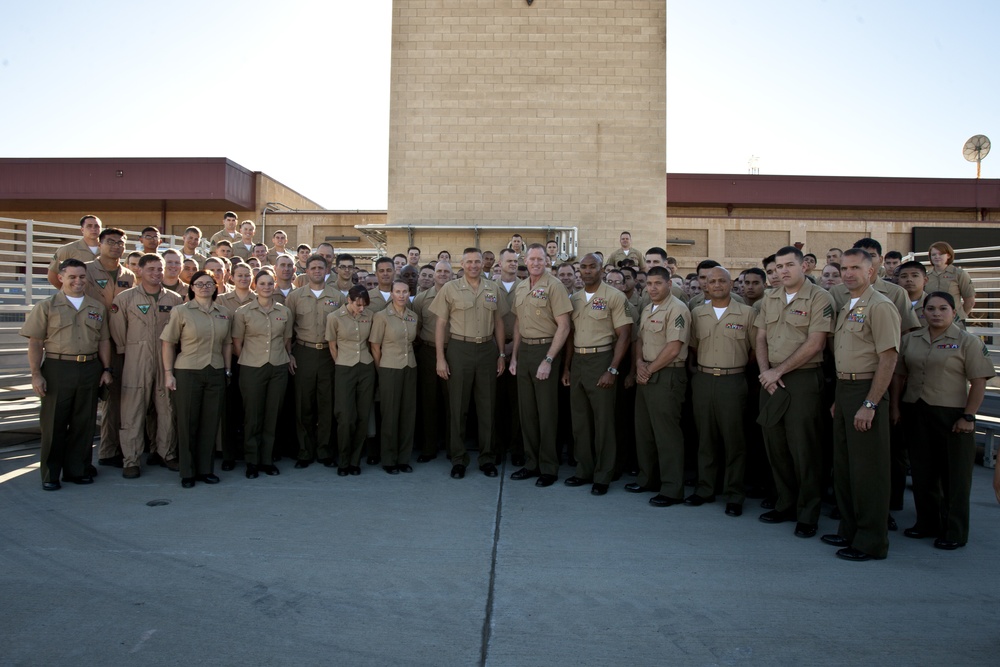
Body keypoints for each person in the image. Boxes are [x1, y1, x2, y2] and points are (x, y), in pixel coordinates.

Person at [890, 292, 993, 550]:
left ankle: (955, 530)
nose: (936, 313)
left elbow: (979, 381)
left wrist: (969, 415)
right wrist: (895, 407)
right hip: (916, 411)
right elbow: (899, 377)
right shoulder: (911, 340)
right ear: (922, 312)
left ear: (954, 310)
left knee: (954, 477)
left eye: (942, 308)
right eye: (930, 308)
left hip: (952, 415)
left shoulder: (967, 341)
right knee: (923, 472)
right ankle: (927, 523)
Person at [820, 248, 900, 561]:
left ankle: (871, 541)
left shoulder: (880, 305)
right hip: (846, 388)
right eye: (844, 268)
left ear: (871, 271)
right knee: (845, 468)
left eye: (856, 267)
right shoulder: (847, 304)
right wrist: (841, 398)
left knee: (868, 471)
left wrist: (871, 402)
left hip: (867, 389)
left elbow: (889, 357)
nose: (848, 273)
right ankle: (849, 529)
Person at [755, 246, 835, 539]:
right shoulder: (770, 297)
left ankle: (808, 513)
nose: (783, 271)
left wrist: (779, 371)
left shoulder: (819, 298)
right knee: (776, 445)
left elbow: (816, 343)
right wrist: (766, 372)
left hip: (802, 379)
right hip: (771, 380)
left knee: (805, 449)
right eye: (778, 266)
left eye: (789, 265)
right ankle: (785, 503)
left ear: (804, 267)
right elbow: (760, 337)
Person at [22, 259, 113, 490]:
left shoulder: (96, 307)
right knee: (54, 423)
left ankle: (77, 470)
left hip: (89, 368)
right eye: (72, 276)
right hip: (57, 368)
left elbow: (103, 340)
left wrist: (106, 369)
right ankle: (51, 474)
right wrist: (35, 374)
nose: (78, 281)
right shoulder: (47, 306)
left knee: (84, 423)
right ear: (61, 277)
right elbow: (35, 342)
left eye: (82, 277)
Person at [430, 247, 509, 479]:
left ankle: (487, 458)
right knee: (458, 407)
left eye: (477, 261)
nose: (474, 265)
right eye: (469, 262)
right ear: (461, 264)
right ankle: (458, 459)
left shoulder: (493, 288)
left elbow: (499, 323)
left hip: (486, 349)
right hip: (459, 349)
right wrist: (440, 358)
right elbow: (441, 325)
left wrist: (501, 354)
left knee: (487, 407)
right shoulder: (450, 289)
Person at [562, 253, 632, 496]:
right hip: (579, 362)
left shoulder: (614, 296)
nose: (588, 270)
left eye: (593, 266)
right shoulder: (575, 299)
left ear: (601, 269)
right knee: (580, 421)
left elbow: (624, 334)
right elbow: (570, 335)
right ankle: (584, 470)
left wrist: (612, 369)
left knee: (603, 422)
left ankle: (603, 474)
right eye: (584, 267)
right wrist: (567, 367)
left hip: (602, 358)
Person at [688, 267, 756, 515]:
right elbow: (694, 346)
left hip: (733, 381)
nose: (716, 285)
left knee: (734, 439)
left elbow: (753, 350)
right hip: (704, 380)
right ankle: (705, 488)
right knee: (705, 438)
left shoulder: (747, 313)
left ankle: (734, 494)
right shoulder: (697, 313)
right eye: (711, 281)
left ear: (731, 283)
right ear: (705, 284)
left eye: (722, 281)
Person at [110, 253, 183, 478]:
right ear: (139, 271)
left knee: (166, 409)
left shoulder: (174, 300)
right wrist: (127, 352)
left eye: (159, 269)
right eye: (151, 269)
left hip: (165, 360)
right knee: (132, 410)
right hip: (135, 359)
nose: (157, 273)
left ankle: (166, 453)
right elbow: (117, 330)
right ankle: (131, 460)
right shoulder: (125, 299)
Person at [160, 270, 233, 488]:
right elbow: (168, 343)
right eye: (199, 284)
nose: (204, 287)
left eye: (209, 283)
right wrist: (168, 373)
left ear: (215, 286)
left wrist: (228, 370)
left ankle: (205, 469)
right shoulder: (181, 311)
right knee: (188, 422)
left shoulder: (224, 312)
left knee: (210, 423)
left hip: (216, 371)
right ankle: (188, 471)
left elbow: (227, 343)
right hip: (188, 371)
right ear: (191, 287)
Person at [508, 244, 573, 486]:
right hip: (524, 351)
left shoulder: (554, 286)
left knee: (546, 414)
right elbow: (517, 325)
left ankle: (548, 467)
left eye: (540, 258)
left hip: (545, 350)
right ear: (525, 260)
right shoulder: (522, 286)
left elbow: (564, 326)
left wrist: (548, 359)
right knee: (528, 413)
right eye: (531, 259)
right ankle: (531, 463)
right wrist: (514, 356)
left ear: (547, 260)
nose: (535, 262)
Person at [627, 266, 687, 505]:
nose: (652, 288)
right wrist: (640, 363)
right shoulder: (648, 308)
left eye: (658, 284)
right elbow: (641, 339)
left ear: (669, 284)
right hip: (647, 373)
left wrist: (648, 370)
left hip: (667, 376)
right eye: (649, 284)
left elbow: (674, 348)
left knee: (666, 435)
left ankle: (672, 489)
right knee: (645, 432)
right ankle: (647, 479)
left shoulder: (677, 310)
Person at [231, 269, 292, 479]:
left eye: (269, 283)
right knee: (253, 415)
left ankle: (267, 459)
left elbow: (286, 340)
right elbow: (237, 343)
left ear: (274, 285)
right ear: (255, 286)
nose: (266, 287)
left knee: (272, 414)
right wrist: (251, 359)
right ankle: (252, 461)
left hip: (277, 367)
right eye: (262, 283)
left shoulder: (284, 311)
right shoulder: (244, 312)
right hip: (252, 367)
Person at [84, 228, 136, 470]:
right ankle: (83, 458)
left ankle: (108, 450)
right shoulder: (86, 270)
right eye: (111, 242)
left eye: (120, 243)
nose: (116, 246)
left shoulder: (128, 274)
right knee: (87, 404)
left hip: (119, 343)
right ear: (100, 243)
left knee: (115, 399)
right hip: (91, 341)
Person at [286, 254, 344, 467]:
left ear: (327, 271)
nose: (317, 271)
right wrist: (289, 354)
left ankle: (325, 451)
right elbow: (286, 329)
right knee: (304, 404)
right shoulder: (295, 296)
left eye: (321, 267)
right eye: (313, 268)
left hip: (328, 354)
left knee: (326, 403)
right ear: (306, 271)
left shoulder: (337, 297)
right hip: (304, 352)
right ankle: (305, 451)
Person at [326, 284, 376, 476]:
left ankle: (355, 461)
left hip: (365, 367)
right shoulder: (334, 317)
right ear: (349, 300)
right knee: (345, 417)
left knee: (363, 415)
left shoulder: (370, 316)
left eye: (364, 305)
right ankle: (344, 460)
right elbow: (332, 345)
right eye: (358, 304)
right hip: (344, 367)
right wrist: (341, 363)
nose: (361, 308)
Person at [370, 280, 419, 474]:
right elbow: (375, 345)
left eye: (404, 292)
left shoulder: (413, 316)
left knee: (408, 414)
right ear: (391, 294)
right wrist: (381, 369)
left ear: (409, 294)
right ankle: (389, 459)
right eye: (397, 292)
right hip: (389, 368)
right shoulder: (381, 316)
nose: (401, 295)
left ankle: (404, 458)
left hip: (410, 367)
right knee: (390, 414)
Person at [412, 260, 453, 462]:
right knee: (429, 401)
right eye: (439, 271)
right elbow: (416, 327)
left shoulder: (457, 296)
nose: (443, 274)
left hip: (453, 351)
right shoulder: (421, 299)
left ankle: (452, 446)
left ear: (452, 275)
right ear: (433, 274)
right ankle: (429, 447)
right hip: (428, 352)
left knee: (452, 402)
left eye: (447, 271)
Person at [494, 248, 524, 466]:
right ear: (500, 262)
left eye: (516, 261)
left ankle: (516, 448)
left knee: (516, 403)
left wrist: (513, 347)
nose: (513, 264)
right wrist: (499, 350)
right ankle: (495, 447)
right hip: (493, 351)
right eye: (509, 261)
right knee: (494, 403)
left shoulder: (525, 287)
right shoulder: (488, 287)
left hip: (518, 351)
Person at [926, 241, 976, 325]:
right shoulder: (926, 276)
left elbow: (970, 301)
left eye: (940, 254)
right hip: (932, 322)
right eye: (933, 255)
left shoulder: (959, 274)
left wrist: (960, 317)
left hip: (954, 322)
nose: (936, 257)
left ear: (948, 255)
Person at [47, 214, 102, 288]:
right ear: (82, 229)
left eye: (96, 226)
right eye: (89, 226)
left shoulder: (108, 250)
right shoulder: (67, 249)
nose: (93, 229)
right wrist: (69, 292)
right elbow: (53, 276)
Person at [896, 260, 930, 328]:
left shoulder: (933, 304)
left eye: (914, 276)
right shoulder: (892, 303)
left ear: (925, 280)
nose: (909, 279)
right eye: (904, 276)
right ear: (898, 281)